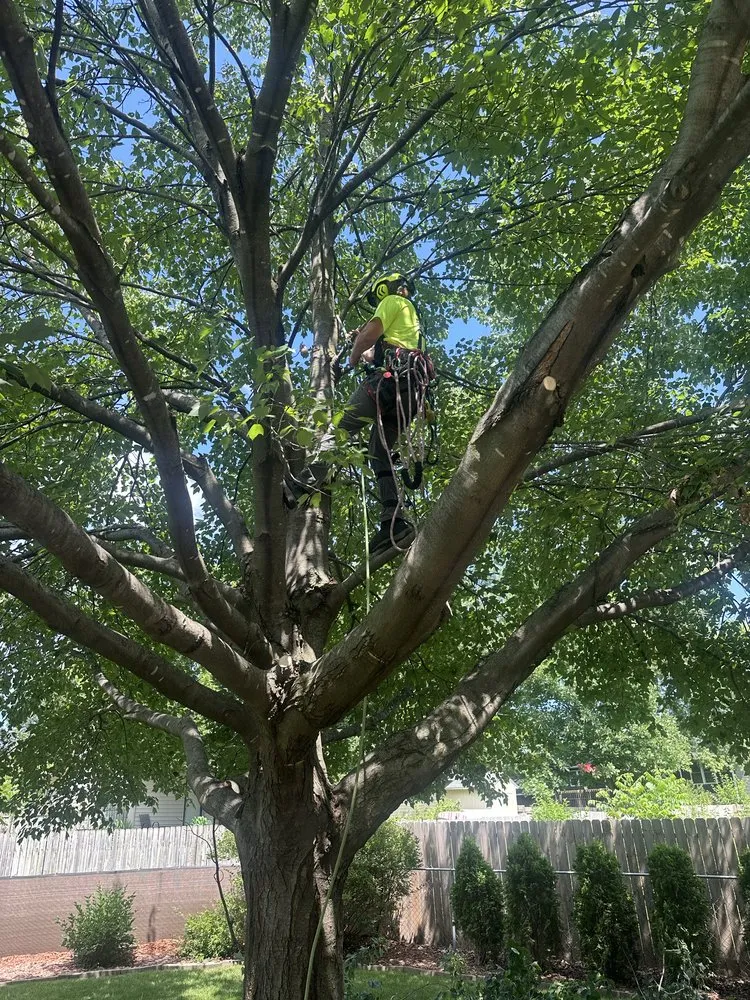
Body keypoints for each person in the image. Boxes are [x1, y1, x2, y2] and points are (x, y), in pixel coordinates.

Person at [285, 272, 431, 555]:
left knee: (342, 425)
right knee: (380, 451)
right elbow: (377, 348)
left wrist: (351, 356)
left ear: (384, 290)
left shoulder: (391, 301)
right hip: (409, 395)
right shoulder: (414, 328)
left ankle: (303, 481)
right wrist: (364, 349)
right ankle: (395, 520)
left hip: (387, 383)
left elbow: (369, 335)